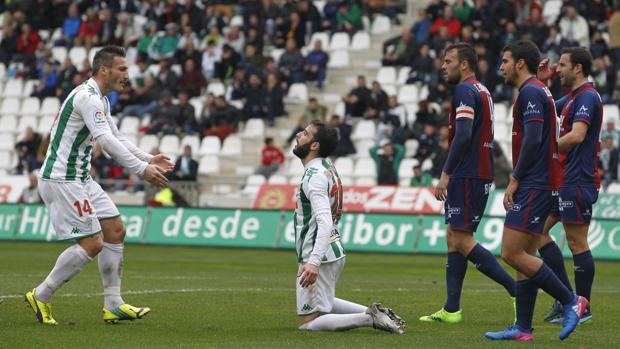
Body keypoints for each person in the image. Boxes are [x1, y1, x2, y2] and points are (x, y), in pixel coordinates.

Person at [26, 46, 174, 326]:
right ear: (104, 70)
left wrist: (148, 157)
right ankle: (41, 295)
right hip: (63, 178)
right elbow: (105, 143)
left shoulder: (100, 100)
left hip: (80, 177)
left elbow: (115, 137)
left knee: (115, 230)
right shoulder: (88, 98)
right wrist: (142, 170)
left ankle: (113, 304)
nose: (127, 75)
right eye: (122, 69)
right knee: (92, 243)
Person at [485, 40, 588, 342]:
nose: (500, 67)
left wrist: (515, 179)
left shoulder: (530, 91)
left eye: (504, 61)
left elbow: (532, 139)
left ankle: (571, 301)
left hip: (533, 183)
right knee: (527, 253)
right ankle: (523, 328)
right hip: (544, 181)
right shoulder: (539, 90)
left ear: (519, 63)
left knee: (511, 253)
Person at [421, 43, 516, 324]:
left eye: (448, 61)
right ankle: (452, 309)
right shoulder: (482, 90)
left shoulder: (464, 90)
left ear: (464, 65)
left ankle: (516, 289)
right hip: (478, 171)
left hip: (467, 173)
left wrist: (446, 173)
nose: (443, 65)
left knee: (461, 239)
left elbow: (462, 135)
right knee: (454, 237)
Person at [292, 120, 405, 334]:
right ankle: (374, 313)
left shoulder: (313, 176)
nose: (299, 134)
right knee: (325, 300)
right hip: (332, 248)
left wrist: (313, 262)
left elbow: (324, 221)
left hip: (320, 254)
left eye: (305, 134)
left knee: (308, 322)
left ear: (315, 145)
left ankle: (369, 319)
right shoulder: (327, 167)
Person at [535, 47, 603, 325]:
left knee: (576, 242)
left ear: (578, 68)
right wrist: (539, 82)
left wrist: (544, 151)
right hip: (565, 179)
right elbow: (545, 108)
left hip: (578, 180)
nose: (557, 69)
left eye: (562, 65)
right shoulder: (573, 97)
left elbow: (577, 135)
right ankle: (567, 298)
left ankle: (581, 306)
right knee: (536, 233)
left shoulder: (587, 96)